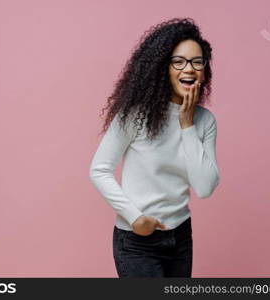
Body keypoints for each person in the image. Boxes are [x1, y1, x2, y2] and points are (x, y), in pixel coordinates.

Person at [88, 18, 221, 278]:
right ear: (163, 67)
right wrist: (135, 218)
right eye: (179, 61)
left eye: (197, 62)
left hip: (181, 237)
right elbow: (99, 170)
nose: (189, 69)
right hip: (138, 241)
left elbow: (205, 188)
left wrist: (186, 124)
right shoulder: (135, 115)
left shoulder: (205, 121)